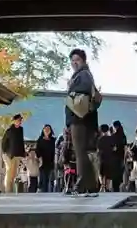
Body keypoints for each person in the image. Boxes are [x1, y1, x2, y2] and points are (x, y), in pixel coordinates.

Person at [64, 48, 102, 195]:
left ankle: (81, 184)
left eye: (77, 60)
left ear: (83, 61)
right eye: (72, 60)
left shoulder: (83, 75)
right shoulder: (84, 74)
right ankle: (90, 185)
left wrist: (71, 88)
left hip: (79, 117)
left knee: (80, 152)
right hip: (83, 118)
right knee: (83, 151)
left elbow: (83, 91)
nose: (74, 63)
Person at [1, 114, 27, 194]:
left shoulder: (21, 130)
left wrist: (23, 153)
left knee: (14, 173)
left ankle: (11, 190)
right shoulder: (9, 130)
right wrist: (5, 152)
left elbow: (21, 142)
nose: (20, 121)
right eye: (18, 120)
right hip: (10, 154)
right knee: (9, 173)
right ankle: (8, 190)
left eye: (20, 120)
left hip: (18, 154)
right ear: (14, 121)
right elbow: (4, 142)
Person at [105, 119, 127, 193]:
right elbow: (125, 148)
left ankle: (115, 190)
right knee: (119, 175)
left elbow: (110, 148)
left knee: (114, 176)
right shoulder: (123, 136)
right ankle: (117, 189)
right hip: (121, 157)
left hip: (114, 158)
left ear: (115, 127)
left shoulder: (114, 137)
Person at [36, 124, 57, 192]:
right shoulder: (40, 140)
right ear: (43, 130)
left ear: (51, 131)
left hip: (51, 163)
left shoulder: (53, 140)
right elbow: (37, 151)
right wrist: (39, 158)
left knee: (51, 181)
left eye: (48, 129)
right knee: (43, 180)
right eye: (45, 129)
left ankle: (49, 194)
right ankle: (43, 193)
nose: (47, 130)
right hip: (42, 163)